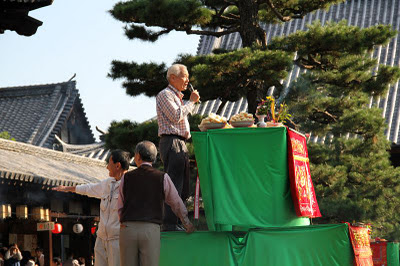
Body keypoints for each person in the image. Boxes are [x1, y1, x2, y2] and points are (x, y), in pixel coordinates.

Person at [118, 141, 195, 266]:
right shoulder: (162, 177)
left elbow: (120, 205)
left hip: (128, 228)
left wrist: (123, 222)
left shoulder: (126, 177)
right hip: (151, 228)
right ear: (154, 158)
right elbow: (176, 202)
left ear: (137, 156)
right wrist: (186, 222)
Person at [52, 149, 131, 266]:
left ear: (118, 165)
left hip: (117, 239)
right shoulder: (107, 183)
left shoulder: (131, 186)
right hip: (101, 238)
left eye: (109, 163)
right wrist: (67, 188)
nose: (107, 167)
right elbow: (88, 188)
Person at [156, 63, 200, 231]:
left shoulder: (178, 97)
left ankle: (175, 222)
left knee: (182, 186)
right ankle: (169, 223)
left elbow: (186, 113)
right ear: (172, 77)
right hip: (171, 141)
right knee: (174, 183)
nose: (187, 80)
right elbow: (175, 116)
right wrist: (191, 102)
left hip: (179, 142)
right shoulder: (165, 95)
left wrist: (190, 103)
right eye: (184, 76)